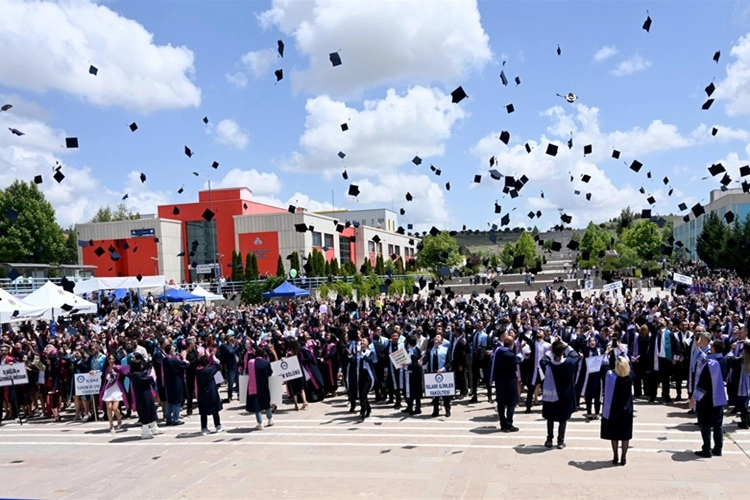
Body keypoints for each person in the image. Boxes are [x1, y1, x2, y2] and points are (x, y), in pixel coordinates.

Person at [540, 339, 580, 449]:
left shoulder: (548, 364)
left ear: (553, 352)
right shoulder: (569, 363)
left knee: (550, 417)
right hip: (565, 395)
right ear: (562, 352)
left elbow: (543, 360)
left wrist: (550, 350)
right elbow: (575, 355)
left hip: (551, 394)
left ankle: (549, 439)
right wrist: (565, 345)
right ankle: (560, 441)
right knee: (563, 419)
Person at [693, 335, 728, 458]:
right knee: (718, 424)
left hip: (707, 398)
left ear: (713, 349)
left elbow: (702, 383)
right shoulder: (723, 360)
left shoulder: (710, 364)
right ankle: (718, 448)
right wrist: (698, 348)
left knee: (705, 424)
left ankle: (706, 449)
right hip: (719, 396)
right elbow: (705, 357)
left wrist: (694, 398)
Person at [601, 356, 634, 466]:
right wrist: (622, 352)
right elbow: (630, 365)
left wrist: (606, 354)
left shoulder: (611, 376)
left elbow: (603, 367)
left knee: (614, 435)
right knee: (625, 435)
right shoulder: (630, 376)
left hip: (613, 410)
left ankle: (615, 456)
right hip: (626, 410)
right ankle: (623, 457)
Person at [490, 333, 523, 432]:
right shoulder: (511, 355)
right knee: (511, 403)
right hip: (510, 382)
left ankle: (502, 422)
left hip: (499, 381)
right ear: (512, 344)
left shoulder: (498, 351)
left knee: (500, 403)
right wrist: (520, 351)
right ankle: (509, 423)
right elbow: (519, 360)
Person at [128, 354, 163, 440]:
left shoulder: (138, 374)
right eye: (140, 365)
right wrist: (151, 376)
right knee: (146, 412)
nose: (142, 366)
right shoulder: (136, 375)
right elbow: (147, 380)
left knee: (151, 409)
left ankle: (154, 428)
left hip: (146, 393)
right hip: (143, 396)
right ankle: (145, 432)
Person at [98, 354, 129, 433]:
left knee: (115, 408)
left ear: (115, 359)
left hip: (116, 389)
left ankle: (119, 418)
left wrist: (117, 374)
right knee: (109, 408)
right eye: (109, 359)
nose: (111, 360)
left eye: (113, 358)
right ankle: (111, 424)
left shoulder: (118, 367)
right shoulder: (106, 368)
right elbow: (104, 378)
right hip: (108, 389)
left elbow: (124, 375)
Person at [195, 354, 225, 435]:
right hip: (211, 392)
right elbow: (218, 365)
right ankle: (218, 426)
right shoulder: (209, 370)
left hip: (201, 393)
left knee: (203, 412)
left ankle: (204, 428)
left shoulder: (197, 371)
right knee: (215, 410)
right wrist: (212, 357)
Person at [245, 347, 274, 430]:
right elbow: (270, 373)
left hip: (254, 386)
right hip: (264, 385)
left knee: (257, 405)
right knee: (266, 402)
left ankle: (260, 423)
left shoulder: (251, 362)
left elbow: (247, 372)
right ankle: (270, 419)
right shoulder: (266, 362)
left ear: (255, 354)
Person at [162, 344, 189, 426]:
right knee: (177, 401)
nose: (174, 349)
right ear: (170, 351)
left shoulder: (165, 359)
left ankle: (168, 419)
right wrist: (184, 357)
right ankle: (175, 419)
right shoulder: (173, 360)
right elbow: (185, 364)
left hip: (169, 382)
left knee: (170, 401)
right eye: (173, 348)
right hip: (176, 382)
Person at [427, 333, 453, 418]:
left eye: (438, 337)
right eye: (435, 337)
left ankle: (447, 409)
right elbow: (426, 359)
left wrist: (443, 369)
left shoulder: (445, 350)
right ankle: (435, 410)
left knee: (445, 394)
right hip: (433, 374)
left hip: (443, 373)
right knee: (435, 394)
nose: (436, 338)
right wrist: (420, 361)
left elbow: (449, 362)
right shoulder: (430, 350)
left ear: (441, 341)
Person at [727, 339, 750, 429]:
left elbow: (730, 359)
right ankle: (747, 421)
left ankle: (745, 422)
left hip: (744, 385)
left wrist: (732, 349)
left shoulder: (742, 360)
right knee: (746, 403)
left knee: (743, 404)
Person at [356, 336, 377, 420]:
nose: (362, 342)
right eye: (361, 341)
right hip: (360, 375)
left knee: (363, 394)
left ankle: (363, 411)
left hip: (368, 376)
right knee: (361, 395)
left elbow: (370, 360)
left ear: (368, 343)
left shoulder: (370, 352)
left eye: (364, 341)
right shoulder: (358, 352)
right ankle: (368, 408)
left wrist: (363, 355)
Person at [401, 335, 423, 415]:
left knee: (415, 391)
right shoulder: (411, 350)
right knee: (410, 391)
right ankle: (410, 406)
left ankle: (417, 408)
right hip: (411, 374)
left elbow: (414, 365)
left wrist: (406, 366)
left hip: (415, 374)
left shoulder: (414, 351)